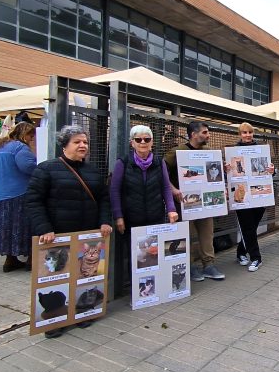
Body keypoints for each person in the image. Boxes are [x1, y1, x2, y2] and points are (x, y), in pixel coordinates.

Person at [26, 124, 113, 338]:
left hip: (87, 237)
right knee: (56, 277)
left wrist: (104, 221)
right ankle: (54, 321)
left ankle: (83, 312)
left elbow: (104, 199)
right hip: (57, 238)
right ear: (64, 146)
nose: (83, 145)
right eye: (77, 142)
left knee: (85, 276)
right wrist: (44, 228)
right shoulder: (46, 169)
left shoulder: (93, 172)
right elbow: (33, 201)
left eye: (85, 142)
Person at [110, 125, 179, 274]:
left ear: (152, 142)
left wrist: (171, 209)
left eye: (147, 139)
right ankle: (136, 286)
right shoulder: (123, 163)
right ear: (132, 143)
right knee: (137, 256)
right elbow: (114, 190)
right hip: (132, 219)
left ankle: (156, 284)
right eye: (138, 139)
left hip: (155, 217)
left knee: (154, 254)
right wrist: (118, 216)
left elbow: (166, 187)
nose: (143, 142)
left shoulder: (159, 162)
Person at [164, 121, 225, 282]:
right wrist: (173, 189)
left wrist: (221, 187)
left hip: (206, 202)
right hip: (185, 202)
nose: (208, 135)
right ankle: (189, 266)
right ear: (193, 134)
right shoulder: (177, 152)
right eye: (205, 132)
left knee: (207, 234)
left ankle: (209, 265)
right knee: (186, 235)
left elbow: (216, 174)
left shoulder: (209, 152)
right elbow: (162, 173)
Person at [0, 121, 37, 272]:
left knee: (5, 229)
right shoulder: (20, 147)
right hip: (18, 194)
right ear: (23, 134)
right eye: (30, 136)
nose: (32, 139)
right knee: (25, 227)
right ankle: (31, 260)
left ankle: (10, 260)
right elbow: (28, 167)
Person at [226, 123, 274, 272]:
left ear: (253, 133)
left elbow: (270, 171)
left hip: (259, 197)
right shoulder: (232, 152)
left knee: (251, 228)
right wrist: (226, 170)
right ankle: (256, 258)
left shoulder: (261, 150)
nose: (247, 135)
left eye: (250, 132)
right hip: (243, 197)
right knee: (247, 227)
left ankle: (241, 252)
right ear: (240, 134)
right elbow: (227, 174)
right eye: (244, 132)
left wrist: (272, 170)